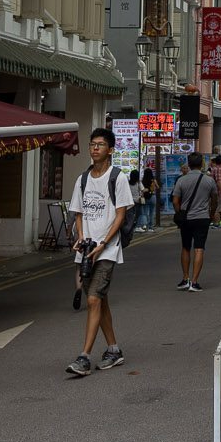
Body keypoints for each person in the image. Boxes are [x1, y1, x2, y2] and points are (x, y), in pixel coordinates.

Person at [64, 129, 133, 378]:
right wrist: (81, 237)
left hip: (107, 249)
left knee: (93, 299)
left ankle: (84, 357)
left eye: (101, 144)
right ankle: (114, 349)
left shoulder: (118, 178)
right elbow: (79, 213)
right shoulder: (82, 180)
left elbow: (121, 215)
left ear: (111, 150)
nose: (95, 148)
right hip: (86, 249)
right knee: (100, 300)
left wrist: (104, 242)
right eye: (92, 144)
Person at [170, 150, 220, 290]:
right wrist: (211, 214)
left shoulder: (181, 180)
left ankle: (185, 279)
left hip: (186, 219)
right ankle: (194, 281)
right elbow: (214, 200)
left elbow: (175, 201)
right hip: (202, 218)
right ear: (202, 163)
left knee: (185, 248)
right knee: (199, 249)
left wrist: (179, 213)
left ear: (189, 164)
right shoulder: (209, 181)